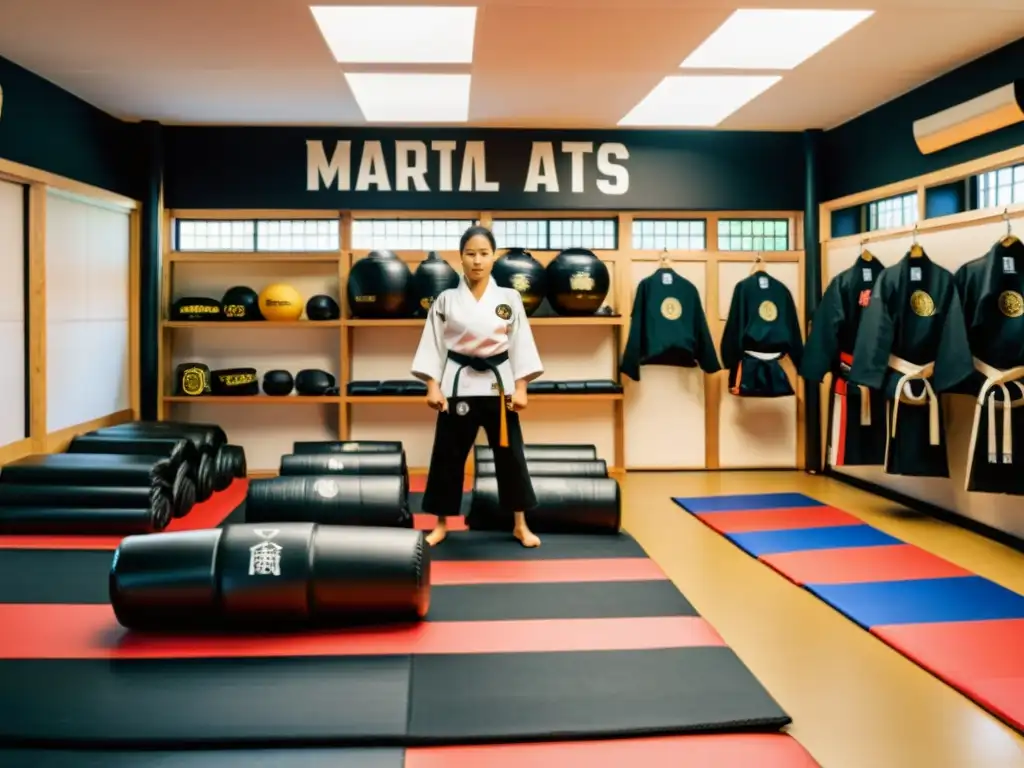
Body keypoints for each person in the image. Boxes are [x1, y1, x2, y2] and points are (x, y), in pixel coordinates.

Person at [411, 224, 543, 547]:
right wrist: (432, 385)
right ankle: (441, 524)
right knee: (447, 455)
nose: (477, 261)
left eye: (484, 254)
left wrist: (522, 386)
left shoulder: (509, 298)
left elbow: (520, 343)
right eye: (470, 254)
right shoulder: (445, 300)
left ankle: (520, 523)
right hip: (458, 384)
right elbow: (433, 344)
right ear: (461, 258)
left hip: (499, 387)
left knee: (510, 455)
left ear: (494, 257)